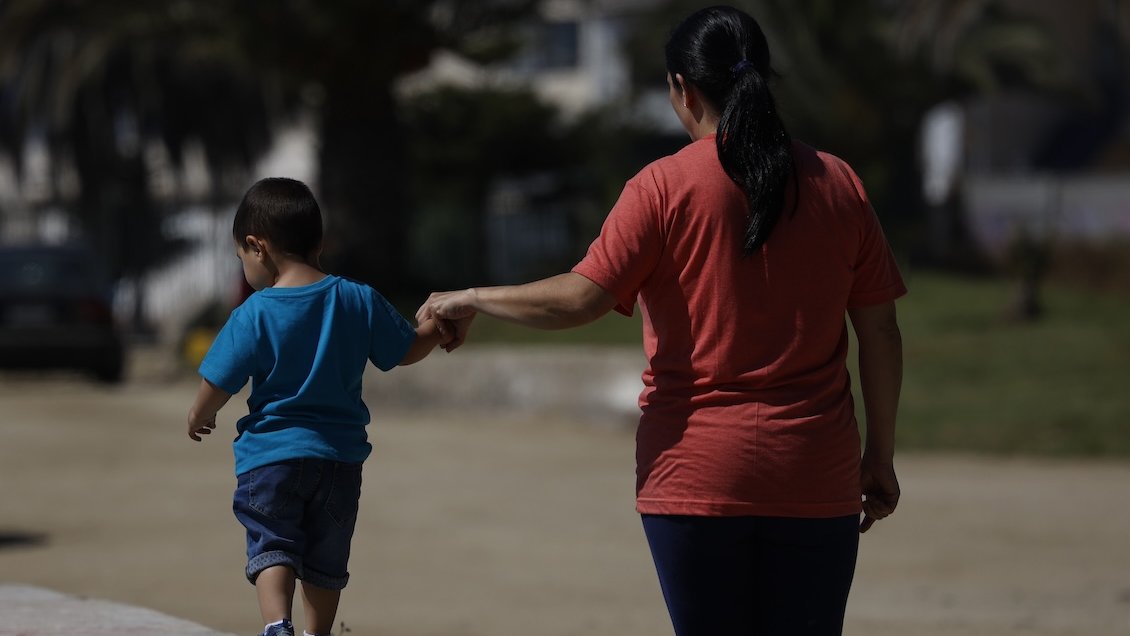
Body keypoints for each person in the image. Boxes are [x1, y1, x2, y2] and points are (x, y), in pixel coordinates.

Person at [416, 5, 905, 635]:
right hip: (815, 468)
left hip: (694, 474)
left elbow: (582, 299)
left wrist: (474, 296)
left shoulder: (661, 187)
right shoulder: (840, 184)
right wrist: (880, 456)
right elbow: (881, 333)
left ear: (683, 88)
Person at [186, 177, 453, 636]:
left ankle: (276, 624)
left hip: (269, 457)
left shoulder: (253, 312)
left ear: (257, 246)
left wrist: (200, 413)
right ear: (318, 242)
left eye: (240, 257)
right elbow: (406, 349)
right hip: (338, 460)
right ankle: (317, 633)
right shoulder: (356, 298)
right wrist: (439, 328)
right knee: (327, 556)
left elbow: (218, 379)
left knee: (272, 544)